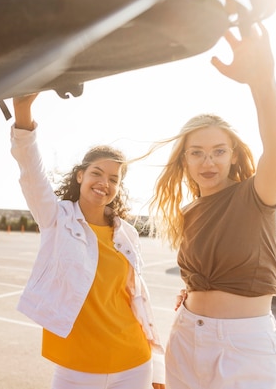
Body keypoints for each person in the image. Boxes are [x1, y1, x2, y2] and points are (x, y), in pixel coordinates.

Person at [149, 22, 276, 389]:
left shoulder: (255, 195)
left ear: (232, 157)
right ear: (184, 161)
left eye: (218, 152)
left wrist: (262, 82)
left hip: (245, 347)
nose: (207, 162)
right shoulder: (188, 211)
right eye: (196, 153)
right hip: (186, 336)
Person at [10, 93, 165, 389]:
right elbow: (31, 172)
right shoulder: (57, 218)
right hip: (76, 367)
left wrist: (157, 367)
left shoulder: (126, 233)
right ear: (80, 176)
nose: (104, 183)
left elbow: (137, 300)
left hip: (133, 361)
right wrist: (23, 112)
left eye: (114, 178)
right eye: (96, 173)